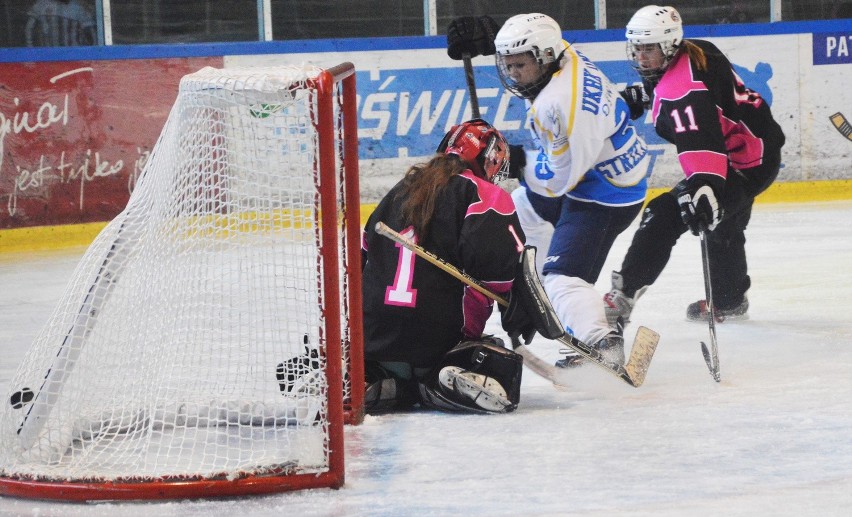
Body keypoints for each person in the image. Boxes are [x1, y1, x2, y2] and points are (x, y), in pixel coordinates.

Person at [468, 13, 652, 368]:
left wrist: (515, 162)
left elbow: (557, 182)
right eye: (506, 63)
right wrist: (495, 38)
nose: (512, 73)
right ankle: (526, 292)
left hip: (603, 196)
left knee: (563, 278)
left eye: (519, 64)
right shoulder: (562, 55)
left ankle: (603, 343)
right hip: (598, 178)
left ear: (543, 58)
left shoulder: (563, 105)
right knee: (511, 214)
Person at [603, 5, 785, 326]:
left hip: (743, 162)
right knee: (724, 225)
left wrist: (704, 187)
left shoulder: (683, 92)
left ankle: (624, 294)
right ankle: (728, 299)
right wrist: (646, 95)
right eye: (638, 49)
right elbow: (696, 95)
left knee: (664, 214)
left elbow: (700, 142)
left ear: (669, 46)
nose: (642, 58)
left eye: (650, 49)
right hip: (760, 147)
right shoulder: (697, 51)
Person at [354, 119, 541, 415]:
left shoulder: (399, 190)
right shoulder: (487, 195)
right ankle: (440, 383)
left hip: (376, 339)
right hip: (439, 340)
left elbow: (362, 259)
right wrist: (516, 298)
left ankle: (374, 382)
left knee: (392, 377)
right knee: (498, 365)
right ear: (490, 160)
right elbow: (496, 274)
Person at [25, 0, 96, 47]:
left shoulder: (79, 8)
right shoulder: (41, 5)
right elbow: (29, 30)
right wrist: (32, 53)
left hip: (74, 56)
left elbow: (91, 35)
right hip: (47, 57)